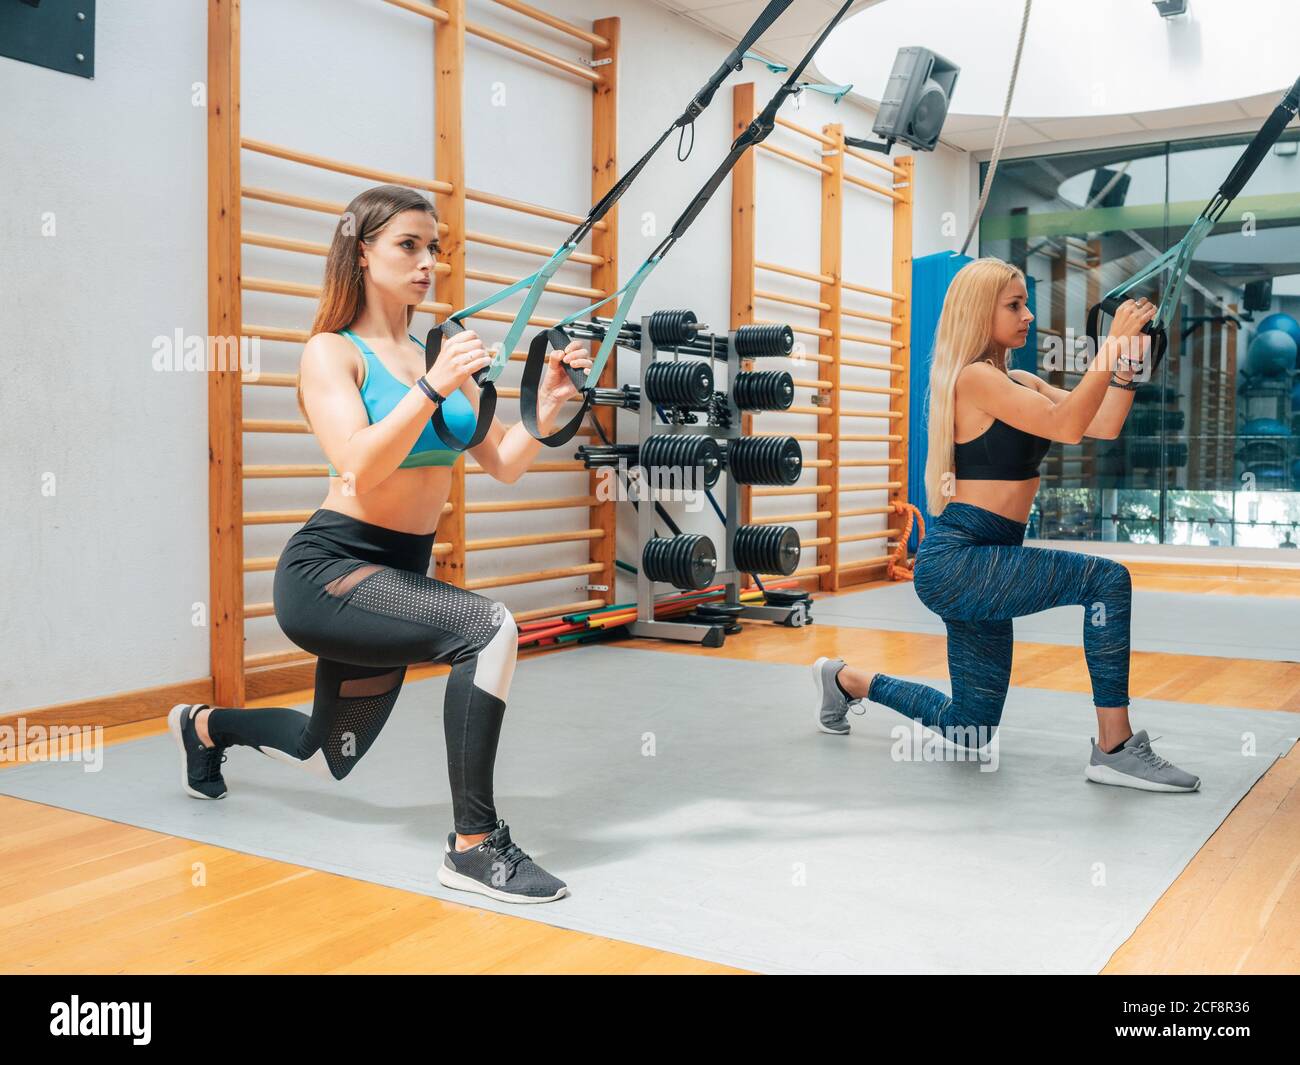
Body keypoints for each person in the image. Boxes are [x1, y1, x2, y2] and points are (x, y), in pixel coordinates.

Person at [168, 184, 593, 902]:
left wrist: (550, 405)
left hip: (395, 579)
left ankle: (203, 728)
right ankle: (473, 846)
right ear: (361, 252)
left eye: (435, 247)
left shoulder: (440, 351)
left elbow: (505, 463)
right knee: (489, 629)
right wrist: (430, 385)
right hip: (328, 573)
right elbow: (359, 463)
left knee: (321, 754)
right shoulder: (334, 353)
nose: (427, 261)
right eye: (408, 245)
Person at [812, 256, 1200, 793]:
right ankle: (1114, 748)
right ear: (979, 312)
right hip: (961, 559)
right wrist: (1110, 347)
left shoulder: (1017, 379)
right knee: (1107, 581)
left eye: (1026, 302)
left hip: (986, 559)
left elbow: (1102, 423)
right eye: (1014, 305)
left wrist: (1130, 362)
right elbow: (1066, 428)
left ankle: (844, 679)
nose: (1028, 314)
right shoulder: (973, 379)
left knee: (969, 729)